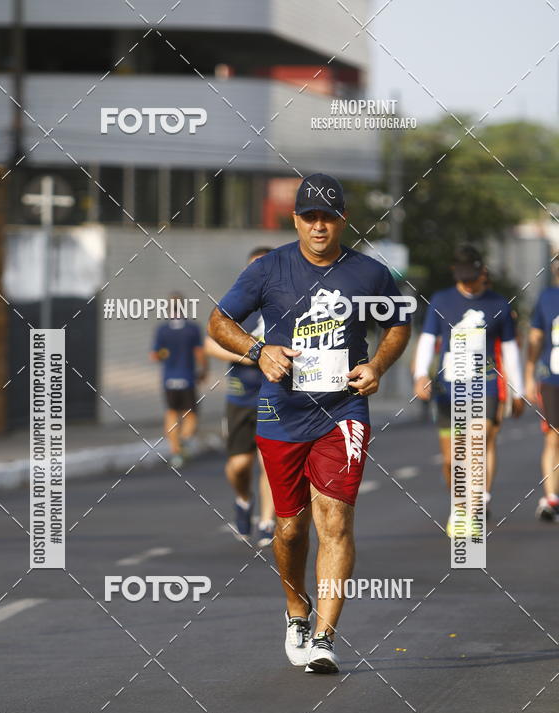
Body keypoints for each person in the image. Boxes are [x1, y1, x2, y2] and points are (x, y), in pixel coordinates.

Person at [207, 173, 411, 674]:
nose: (320, 226)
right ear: (295, 219)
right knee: (290, 528)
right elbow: (217, 321)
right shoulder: (268, 269)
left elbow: (399, 322)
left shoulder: (369, 274)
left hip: (342, 410)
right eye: (310, 217)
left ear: (344, 220)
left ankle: (325, 636)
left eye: (329, 216)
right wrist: (259, 351)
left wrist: (378, 366)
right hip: (282, 410)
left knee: (335, 521)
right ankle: (297, 611)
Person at [413, 245, 525, 534]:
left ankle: (474, 508)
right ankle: (460, 505)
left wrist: (517, 390)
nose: (467, 281)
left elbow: (511, 351)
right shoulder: (440, 300)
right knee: (452, 459)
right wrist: (419, 375)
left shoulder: (498, 304)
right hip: (448, 389)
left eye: (472, 275)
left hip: (483, 385)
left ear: (481, 272)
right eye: (462, 276)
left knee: (477, 444)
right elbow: (427, 341)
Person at [205, 248, 276, 547]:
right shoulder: (236, 306)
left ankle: (267, 522)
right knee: (239, 466)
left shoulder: (285, 306)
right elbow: (209, 344)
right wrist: (248, 356)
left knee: (270, 464)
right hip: (239, 398)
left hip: (275, 397)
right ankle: (243, 500)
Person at [150, 295, 207, 468]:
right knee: (191, 415)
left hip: (169, 380)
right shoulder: (192, 329)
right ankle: (185, 440)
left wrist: (165, 355)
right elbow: (199, 353)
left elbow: (154, 356)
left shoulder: (162, 329)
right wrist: (204, 371)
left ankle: (175, 452)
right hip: (188, 378)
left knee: (171, 413)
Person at [525, 259, 559, 521]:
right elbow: (535, 338)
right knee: (553, 438)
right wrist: (528, 375)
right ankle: (551, 498)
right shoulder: (546, 298)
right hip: (552, 379)